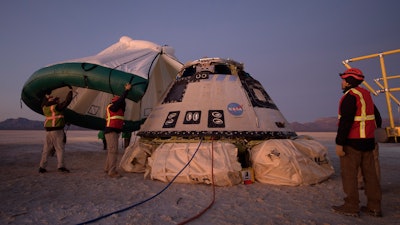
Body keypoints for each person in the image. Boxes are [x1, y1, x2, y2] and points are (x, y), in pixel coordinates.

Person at [332, 68, 383, 217]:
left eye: (343, 80)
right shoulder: (366, 95)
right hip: (368, 142)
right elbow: (376, 118)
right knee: (370, 176)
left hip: (352, 143)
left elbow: (345, 122)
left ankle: (351, 205)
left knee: (349, 175)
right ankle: (374, 206)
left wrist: (339, 143)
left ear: (348, 82)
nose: (341, 83)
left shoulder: (350, 97)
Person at [39, 86, 73, 173]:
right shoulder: (56, 107)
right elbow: (67, 102)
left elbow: (44, 102)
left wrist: (46, 95)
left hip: (48, 132)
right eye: (57, 100)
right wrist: (70, 91)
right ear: (54, 102)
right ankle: (61, 166)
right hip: (57, 131)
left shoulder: (44, 108)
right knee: (59, 149)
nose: (58, 101)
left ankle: (42, 167)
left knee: (46, 149)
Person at [104, 83, 132, 178]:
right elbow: (120, 101)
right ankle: (112, 171)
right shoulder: (112, 106)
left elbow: (122, 103)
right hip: (111, 131)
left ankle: (107, 168)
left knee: (111, 151)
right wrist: (126, 91)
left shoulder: (118, 107)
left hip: (114, 131)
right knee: (113, 151)